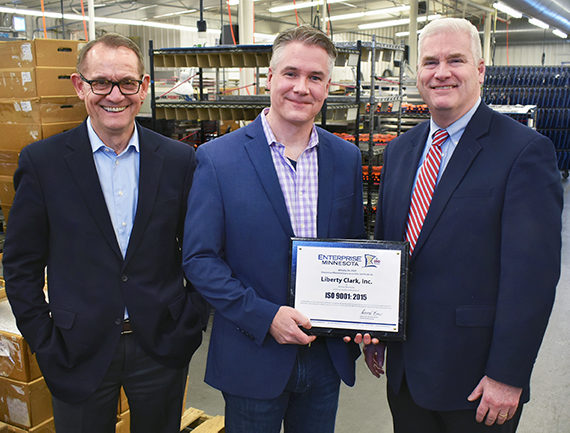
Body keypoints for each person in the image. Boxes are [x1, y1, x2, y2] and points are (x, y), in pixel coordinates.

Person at [360, 17, 563, 433]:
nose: (442, 73)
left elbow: (533, 280)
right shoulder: (400, 151)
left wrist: (509, 374)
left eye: (456, 60)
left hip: (477, 382)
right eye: (430, 62)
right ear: (418, 72)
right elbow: (387, 252)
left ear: (480, 69)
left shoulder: (524, 152)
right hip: (406, 375)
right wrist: (378, 328)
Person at [2, 33, 208, 433]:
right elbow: (20, 266)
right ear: (80, 86)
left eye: (127, 83)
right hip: (75, 350)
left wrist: (190, 322)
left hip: (161, 346)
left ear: (144, 88)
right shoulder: (43, 164)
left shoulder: (179, 161)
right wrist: (45, 342)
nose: (115, 95)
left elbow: (200, 249)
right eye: (101, 83)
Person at [182, 25, 365, 433]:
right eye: (290, 74)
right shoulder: (217, 159)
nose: (301, 87)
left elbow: (354, 248)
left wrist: (366, 315)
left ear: (328, 86)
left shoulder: (345, 158)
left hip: (324, 356)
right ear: (269, 79)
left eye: (315, 77)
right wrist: (266, 317)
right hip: (253, 353)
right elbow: (200, 259)